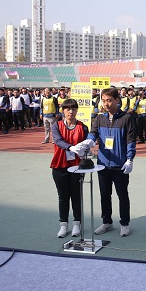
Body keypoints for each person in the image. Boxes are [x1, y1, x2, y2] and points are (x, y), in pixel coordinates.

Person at [79, 87, 136, 237]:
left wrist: (129, 159)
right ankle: (107, 222)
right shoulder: (99, 118)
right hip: (103, 164)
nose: (106, 103)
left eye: (109, 100)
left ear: (117, 100)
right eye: (103, 101)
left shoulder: (127, 118)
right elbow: (93, 134)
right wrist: (88, 142)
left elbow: (131, 141)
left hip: (120, 165)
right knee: (105, 194)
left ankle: (124, 223)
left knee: (122, 195)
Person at [50, 99, 89, 238]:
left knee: (76, 196)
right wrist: (70, 147)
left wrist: (87, 148)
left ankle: (77, 224)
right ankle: (63, 225)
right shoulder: (56, 126)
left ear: (77, 110)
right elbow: (58, 140)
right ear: (63, 111)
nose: (70, 112)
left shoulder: (83, 127)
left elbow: (86, 145)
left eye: (73, 109)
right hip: (59, 165)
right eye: (67, 109)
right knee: (63, 197)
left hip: (77, 166)